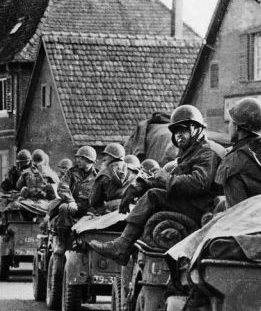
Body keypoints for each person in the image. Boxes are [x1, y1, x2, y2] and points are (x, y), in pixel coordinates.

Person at [89, 105, 225, 263]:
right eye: (175, 132)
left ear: (196, 128)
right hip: (195, 203)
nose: (179, 136)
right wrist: (139, 187)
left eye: (183, 130)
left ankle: (122, 246)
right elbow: (175, 178)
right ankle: (124, 245)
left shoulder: (207, 152)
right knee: (152, 193)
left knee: (154, 196)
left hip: (203, 207)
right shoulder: (193, 150)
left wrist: (165, 178)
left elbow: (198, 183)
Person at [88, 143, 136, 213]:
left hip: (110, 210)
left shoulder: (104, 173)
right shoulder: (135, 171)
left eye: (106, 156)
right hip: (131, 208)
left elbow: (93, 200)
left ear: (112, 157)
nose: (104, 158)